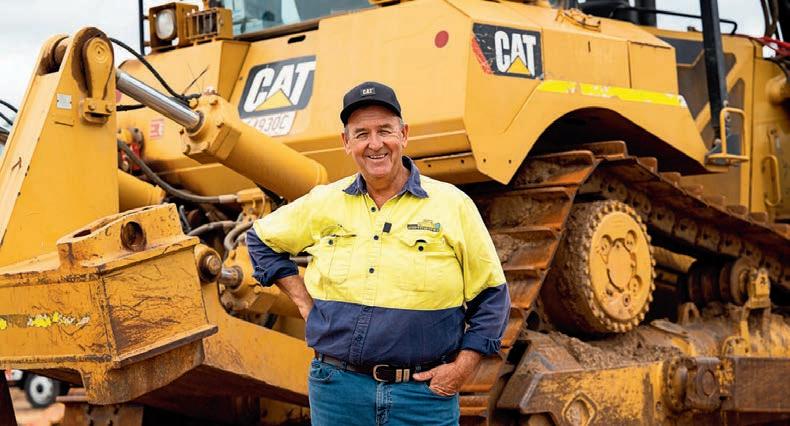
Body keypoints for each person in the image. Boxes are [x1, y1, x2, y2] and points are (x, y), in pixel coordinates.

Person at [246, 81, 510, 425]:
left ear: (404, 135)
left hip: (422, 397)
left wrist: (462, 369)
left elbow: (492, 297)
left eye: (385, 130)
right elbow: (261, 239)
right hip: (338, 392)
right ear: (346, 142)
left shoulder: (452, 205)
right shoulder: (325, 201)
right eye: (362, 134)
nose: (375, 144)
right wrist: (302, 301)